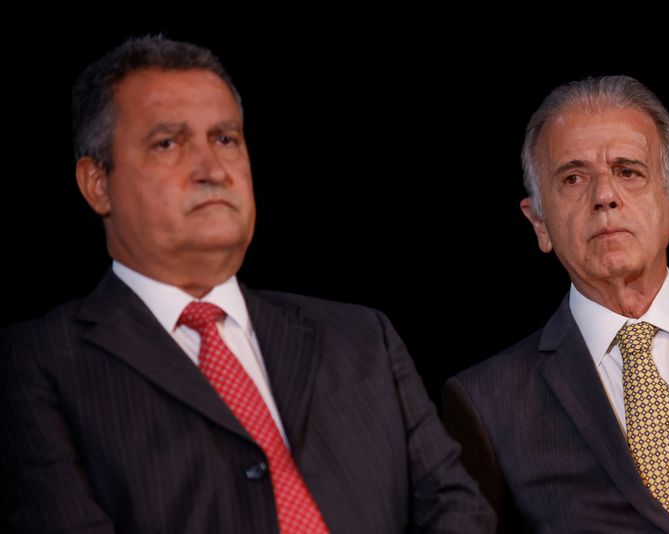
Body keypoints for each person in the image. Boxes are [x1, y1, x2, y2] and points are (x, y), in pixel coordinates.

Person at [0, 36, 494, 533]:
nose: (211, 169)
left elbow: (456, 510)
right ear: (97, 183)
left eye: (225, 139)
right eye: (167, 143)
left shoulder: (364, 337)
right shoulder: (34, 362)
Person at [443, 75, 669, 533]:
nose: (604, 196)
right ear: (539, 223)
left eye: (628, 171)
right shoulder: (485, 404)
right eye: (573, 177)